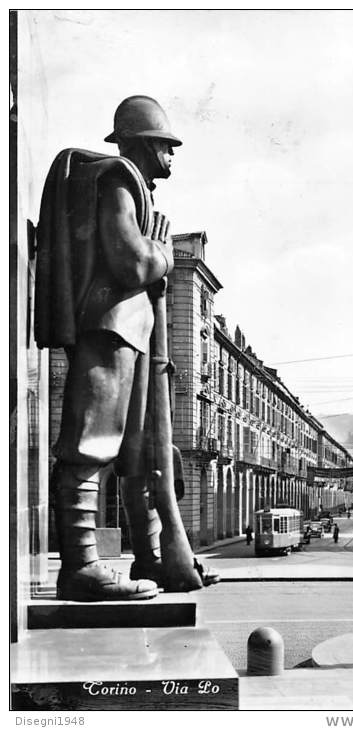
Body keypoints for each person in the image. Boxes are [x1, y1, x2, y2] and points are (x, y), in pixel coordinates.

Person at [35, 96, 219, 601]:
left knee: (139, 455)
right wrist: (161, 251)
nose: (171, 159)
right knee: (91, 443)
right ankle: (83, 565)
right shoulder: (115, 179)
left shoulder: (132, 187)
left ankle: (151, 557)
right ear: (143, 144)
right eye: (166, 147)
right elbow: (132, 265)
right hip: (109, 328)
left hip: (132, 334)